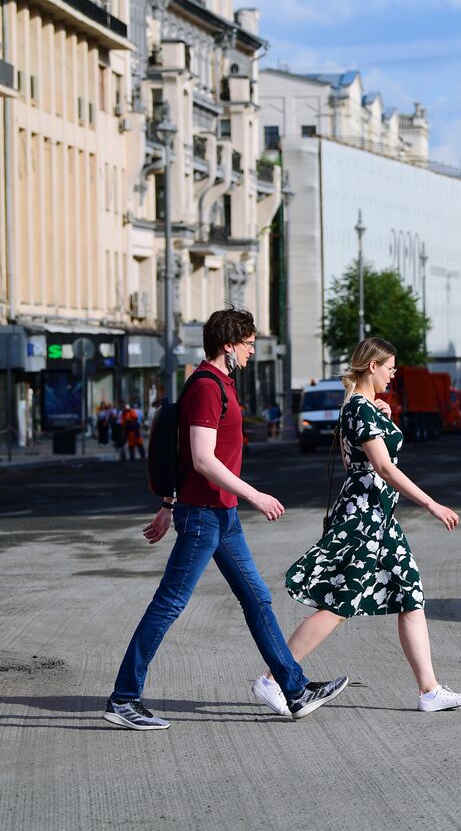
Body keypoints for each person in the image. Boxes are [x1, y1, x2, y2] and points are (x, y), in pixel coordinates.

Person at [104, 309, 348, 730]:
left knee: (257, 599)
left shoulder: (222, 385)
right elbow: (200, 458)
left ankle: (294, 689)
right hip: (204, 517)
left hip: (221, 515)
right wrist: (253, 494)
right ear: (228, 344)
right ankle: (124, 698)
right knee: (170, 603)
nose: (253, 350)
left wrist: (167, 504)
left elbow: (180, 455)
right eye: (249, 343)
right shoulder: (205, 386)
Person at [273, 337, 461, 714]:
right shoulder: (360, 410)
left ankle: (429, 690)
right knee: (340, 603)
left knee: (411, 597)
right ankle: (274, 679)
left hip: (380, 518)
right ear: (372, 366)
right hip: (364, 519)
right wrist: (432, 503)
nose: (393, 375)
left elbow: (358, 463)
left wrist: (381, 416)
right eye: (389, 368)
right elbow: (382, 468)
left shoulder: (361, 407)